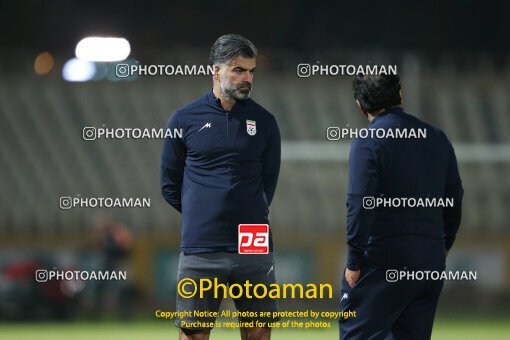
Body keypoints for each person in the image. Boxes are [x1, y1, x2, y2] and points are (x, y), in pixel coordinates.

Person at [161, 34, 281, 340]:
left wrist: (246, 211)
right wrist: (205, 214)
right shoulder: (184, 119)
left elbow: (269, 181)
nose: (248, 78)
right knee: (194, 334)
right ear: (216, 71)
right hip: (201, 244)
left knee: (258, 333)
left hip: (252, 240)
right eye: (239, 70)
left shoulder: (265, 121)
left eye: (251, 71)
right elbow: (169, 184)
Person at [340, 74, 464, 339]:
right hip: (428, 259)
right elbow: (454, 197)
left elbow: (361, 203)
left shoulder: (368, 140)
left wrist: (353, 261)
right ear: (400, 95)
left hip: (384, 259)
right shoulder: (437, 137)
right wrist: (441, 246)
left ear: (359, 105)